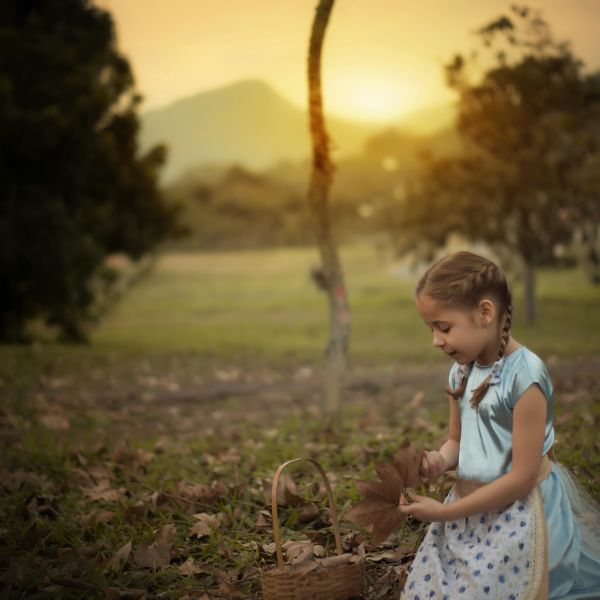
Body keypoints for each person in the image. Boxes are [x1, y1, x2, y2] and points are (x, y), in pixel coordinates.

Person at [398, 251, 600, 599]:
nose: (435, 340)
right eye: (430, 329)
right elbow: (457, 443)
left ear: (485, 312)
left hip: (519, 512)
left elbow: (521, 478)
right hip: (470, 507)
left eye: (444, 327)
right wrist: (440, 460)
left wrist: (446, 513)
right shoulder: (461, 371)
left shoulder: (526, 378)